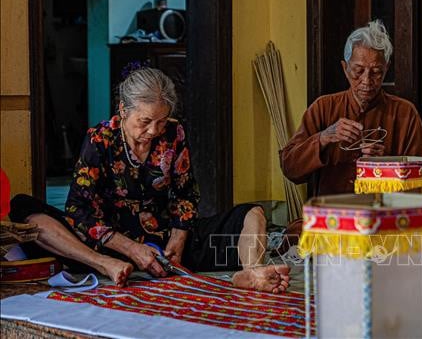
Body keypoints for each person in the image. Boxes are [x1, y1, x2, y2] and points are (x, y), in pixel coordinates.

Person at [10, 68, 289, 292]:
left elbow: (186, 194)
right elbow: (79, 210)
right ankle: (105, 265)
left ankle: (252, 271)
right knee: (23, 209)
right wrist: (129, 249)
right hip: (109, 243)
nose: (154, 130)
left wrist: (179, 238)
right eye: (144, 121)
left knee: (252, 213)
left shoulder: (174, 134)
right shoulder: (100, 140)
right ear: (123, 110)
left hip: (163, 242)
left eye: (162, 121)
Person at [280, 20, 422, 195]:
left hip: (383, 214)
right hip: (332, 215)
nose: (366, 81)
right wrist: (323, 138)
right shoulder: (324, 107)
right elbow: (290, 169)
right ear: (345, 68)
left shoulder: (405, 113)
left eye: (376, 72)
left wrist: (388, 166)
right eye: (358, 71)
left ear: (386, 69)